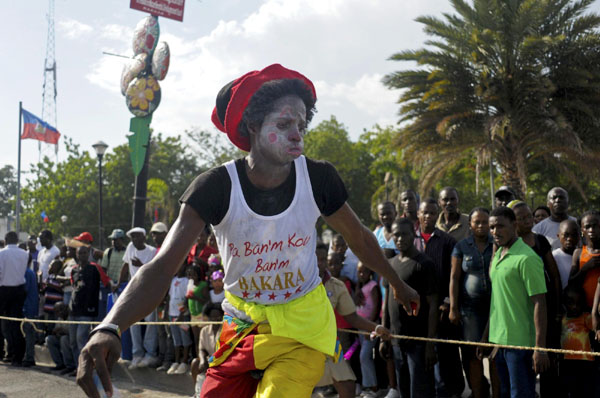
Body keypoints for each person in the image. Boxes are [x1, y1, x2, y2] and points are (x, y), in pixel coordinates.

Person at [77, 64, 419, 398]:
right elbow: (163, 265)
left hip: (304, 327)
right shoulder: (214, 188)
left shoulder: (318, 178)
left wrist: (397, 282)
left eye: (302, 124)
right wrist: (110, 326)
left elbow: (358, 236)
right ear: (253, 126)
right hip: (241, 328)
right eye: (284, 124)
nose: (297, 133)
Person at [481, 206, 549, 398]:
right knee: (505, 392)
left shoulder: (527, 258)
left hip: (521, 345)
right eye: (492, 227)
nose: (495, 231)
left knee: (521, 394)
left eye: (500, 226)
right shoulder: (498, 256)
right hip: (500, 342)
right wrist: (487, 336)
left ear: (514, 225)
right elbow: (498, 300)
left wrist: (540, 348)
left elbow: (539, 303)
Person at [314, 243, 390, 398]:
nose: (319, 263)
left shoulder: (337, 286)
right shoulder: (296, 284)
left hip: (329, 344)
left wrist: (376, 328)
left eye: (323, 259)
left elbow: (352, 317)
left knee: (348, 387)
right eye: (316, 259)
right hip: (301, 343)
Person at [381, 218, 438, 398]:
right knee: (404, 389)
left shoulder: (424, 264)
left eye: (404, 234)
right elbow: (387, 300)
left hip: (419, 342)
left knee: (420, 390)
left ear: (413, 234)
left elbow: (433, 305)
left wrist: (430, 343)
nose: (400, 238)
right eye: (396, 235)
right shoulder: (390, 264)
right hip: (397, 340)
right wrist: (385, 335)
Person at [415, 198, 463, 398]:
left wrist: (448, 302)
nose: (428, 216)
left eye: (432, 213)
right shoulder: (410, 239)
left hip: (442, 307)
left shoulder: (447, 241)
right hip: (417, 309)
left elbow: (455, 275)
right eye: (425, 212)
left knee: (447, 354)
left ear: (438, 215)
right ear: (418, 214)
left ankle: (454, 391)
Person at [449, 208, 498, 398]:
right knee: (473, 357)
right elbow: (454, 277)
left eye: (485, 222)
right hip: (469, 311)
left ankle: (497, 395)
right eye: (477, 222)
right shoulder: (461, 246)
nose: (481, 226)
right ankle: (478, 394)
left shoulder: (497, 244)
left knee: (494, 356)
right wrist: (453, 307)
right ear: (470, 224)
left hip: (495, 308)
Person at [119, 227, 159, 369]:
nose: (134, 239)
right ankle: (137, 354)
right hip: (133, 290)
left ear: (143, 237)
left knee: (150, 324)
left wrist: (140, 266)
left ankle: (150, 354)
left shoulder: (152, 251)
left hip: (148, 290)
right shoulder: (130, 247)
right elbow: (125, 265)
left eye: (137, 236)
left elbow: (155, 271)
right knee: (133, 323)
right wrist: (118, 283)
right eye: (132, 237)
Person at [69, 245, 102, 375]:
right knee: (72, 341)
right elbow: (74, 287)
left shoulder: (93, 269)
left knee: (80, 339)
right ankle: (78, 367)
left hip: (86, 311)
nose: (82, 255)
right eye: (79, 253)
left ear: (88, 254)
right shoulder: (74, 270)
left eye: (84, 253)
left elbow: (94, 291)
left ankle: (85, 368)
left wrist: (92, 309)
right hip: (74, 310)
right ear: (76, 255)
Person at [559, 287, 595, 397]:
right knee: (569, 389)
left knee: (583, 390)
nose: (575, 307)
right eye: (571, 303)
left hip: (584, 361)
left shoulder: (585, 318)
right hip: (567, 361)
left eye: (578, 303)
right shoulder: (562, 320)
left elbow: (596, 326)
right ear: (565, 303)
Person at [0, 231, 29, 366]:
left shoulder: (2, 253)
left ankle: (4, 352)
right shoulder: (25, 254)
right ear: (17, 240)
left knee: (3, 323)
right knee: (16, 324)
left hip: (4, 289)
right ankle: (17, 356)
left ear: (6, 240)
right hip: (19, 290)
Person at [355, 263, 381, 396]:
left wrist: (368, 327)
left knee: (364, 356)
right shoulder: (359, 288)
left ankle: (373, 387)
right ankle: (367, 386)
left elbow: (376, 307)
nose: (361, 275)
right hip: (359, 327)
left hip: (370, 327)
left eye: (364, 272)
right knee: (362, 356)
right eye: (358, 272)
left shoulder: (373, 286)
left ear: (370, 272)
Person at [191, 303, 224, 398]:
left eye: (218, 316)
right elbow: (201, 349)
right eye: (212, 317)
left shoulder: (225, 331)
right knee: (195, 363)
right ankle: (197, 392)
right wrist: (202, 360)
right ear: (208, 317)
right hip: (209, 359)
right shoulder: (204, 330)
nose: (215, 319)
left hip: (222, 360)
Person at [568, 210, 600, 309]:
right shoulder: (578, 253)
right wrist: (585, 268)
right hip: (583, 310)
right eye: (587, 227)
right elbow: (571, 283)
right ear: (582, 230)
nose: (591, 230)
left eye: (595, 226)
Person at [166, 262, 192, 375]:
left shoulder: (187, 281)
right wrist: (167, 313)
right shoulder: (173, 280)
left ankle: (184, 362)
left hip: (183, 316)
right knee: (176, 339)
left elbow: (187, 299)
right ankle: (176, 361)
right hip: (172, 315)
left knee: (184, 338)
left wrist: (181, 315)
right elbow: (169, 297)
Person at [46, 301, 76, 374]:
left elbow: (72, 333)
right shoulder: (60, 318)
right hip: (61, 337)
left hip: (71, 340)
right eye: (56, 312)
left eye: (59, 310)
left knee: (64, 339)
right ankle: (59, 363)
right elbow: (56, 329)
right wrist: (55, 332)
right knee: (49, 339)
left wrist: (63, 331)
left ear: (65, 309)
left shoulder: (71, 317)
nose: (58, 313)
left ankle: (70, 366)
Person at [552, 219, 579, 289]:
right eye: (566, 235)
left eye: (574, 235)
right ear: (558, 236)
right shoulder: (554, 257)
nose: (569, 238)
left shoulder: (583, 254)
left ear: (579, 236)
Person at [22, 265, 39, 367]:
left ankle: (29, 357)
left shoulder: (26, 273)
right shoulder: (28, 272)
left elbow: (24, 289)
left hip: (28, 307)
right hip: (28, 306)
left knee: (29, 333)